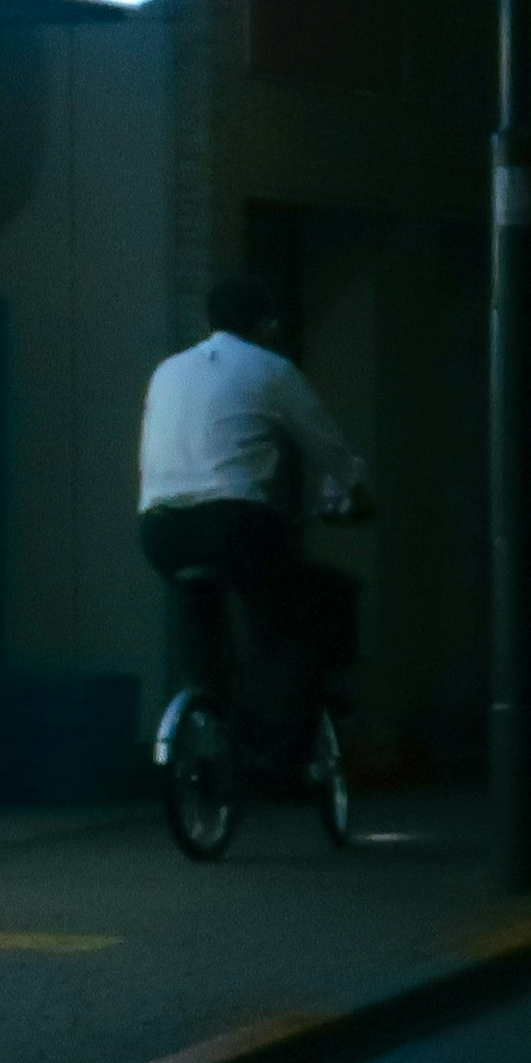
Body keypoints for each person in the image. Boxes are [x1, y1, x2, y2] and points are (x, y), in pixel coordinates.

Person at [138, 275, 370, 742]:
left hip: (159, 530)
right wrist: (354, 493)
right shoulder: (272, 370)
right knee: (315, 599)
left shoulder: (167, 371)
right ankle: (284, 728)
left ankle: (205, 710)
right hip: (234, 524)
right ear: (267, 324)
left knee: (199, 603)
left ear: (208, 321)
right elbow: (329, 451)